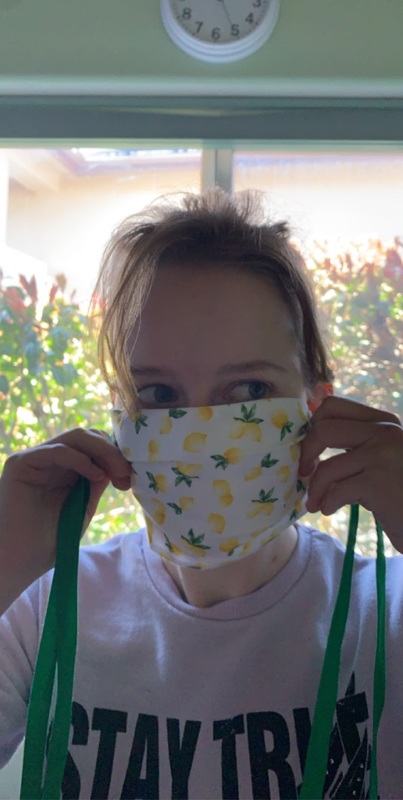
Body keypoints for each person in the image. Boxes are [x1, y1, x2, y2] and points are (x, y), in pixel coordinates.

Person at [0, 188, 402, 800]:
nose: (197, 426)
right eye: (158, 395)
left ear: (315, 407)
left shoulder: (386, 615)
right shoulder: (38, 611)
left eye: (247, 389)